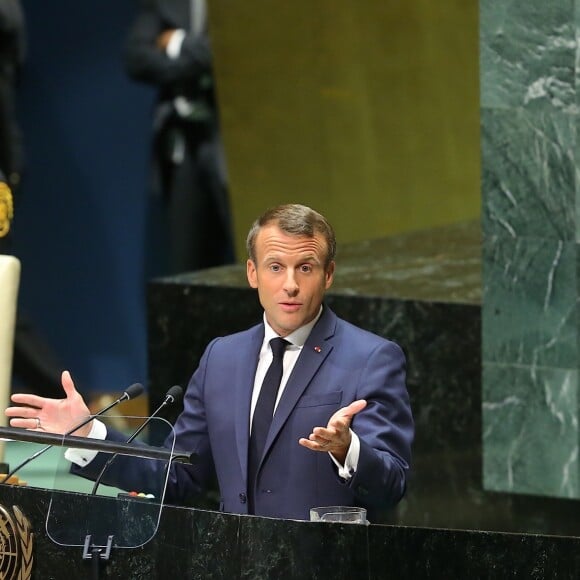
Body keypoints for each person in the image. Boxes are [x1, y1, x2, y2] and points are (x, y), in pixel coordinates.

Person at [6, 204, 414, 521]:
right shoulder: (223, 357)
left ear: (328, 275)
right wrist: (89, 435)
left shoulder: (371, 358)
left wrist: (348, 450)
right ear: (252, 273)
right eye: (276, 267)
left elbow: (391, 484)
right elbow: (175, 474)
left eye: (305, 268)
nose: (290, 284)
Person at [124, 0, 235, 274]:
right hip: (183, 146)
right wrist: (200, 59)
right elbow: (136, 58)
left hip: (236, 143)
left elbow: (237, 50)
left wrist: (176, 43)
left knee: (255, 252)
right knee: (189, 265)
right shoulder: (167, 4)